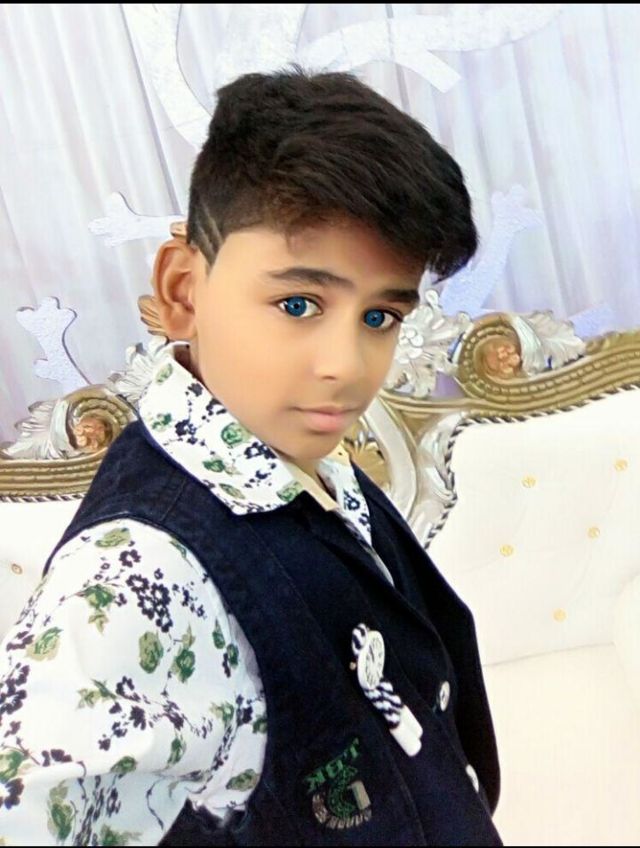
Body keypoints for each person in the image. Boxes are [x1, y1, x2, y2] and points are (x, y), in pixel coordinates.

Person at [0, 65, 501, 846]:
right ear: (183, 290)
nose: (346, 366)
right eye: (298, 304)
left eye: (380, 316)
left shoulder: (291, 445)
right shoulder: (135, 574)